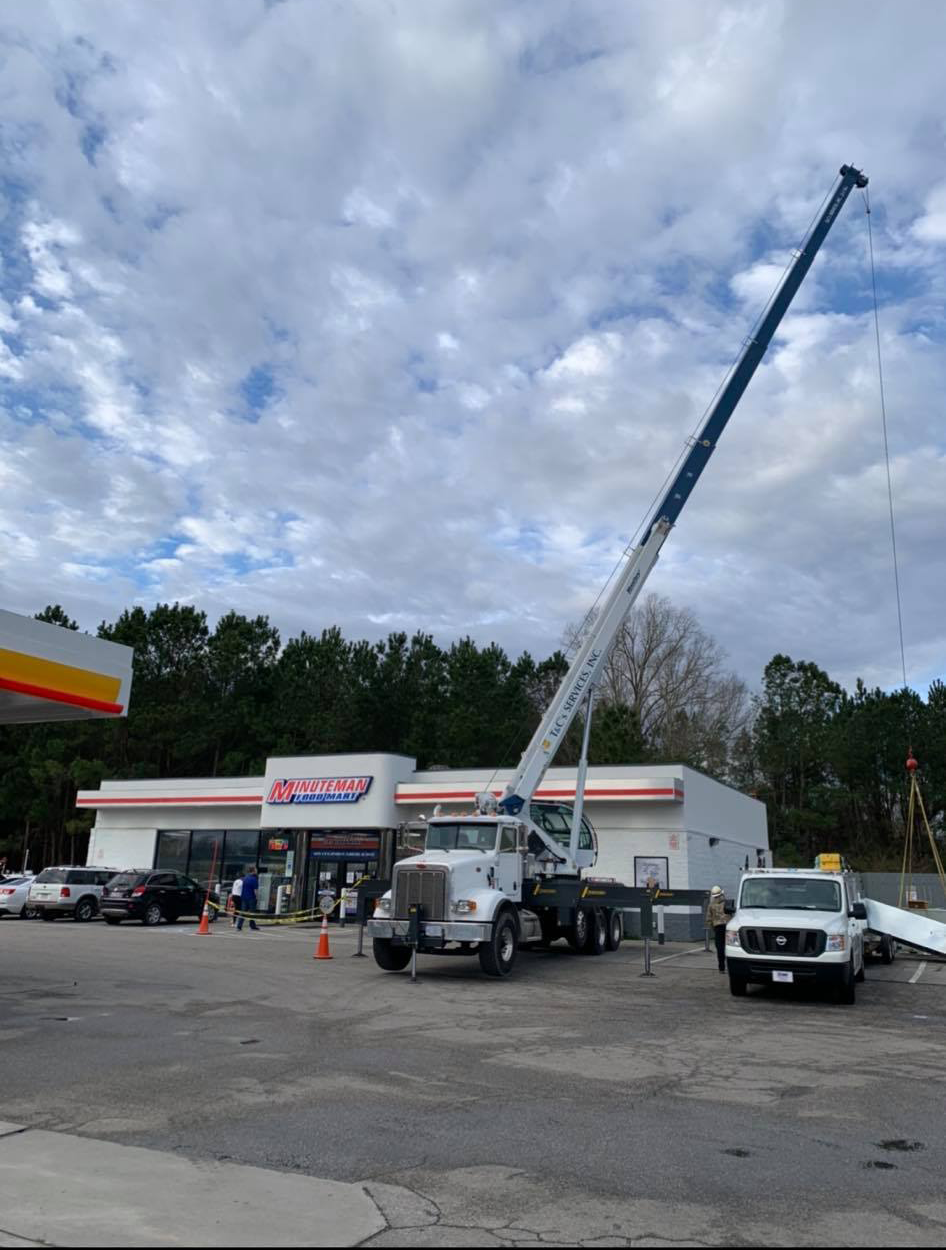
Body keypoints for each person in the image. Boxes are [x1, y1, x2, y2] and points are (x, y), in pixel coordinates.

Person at [705, 885, 728, 973]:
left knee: (719, 948)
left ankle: (721, 968)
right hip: (727, 927)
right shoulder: (726, 903)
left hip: (717, 927)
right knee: (730, 947)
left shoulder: (711, 905)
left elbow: (708, 919)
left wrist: (713, 927)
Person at [235, 865, 259, 932]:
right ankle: (252, 926)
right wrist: (257, 897)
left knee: (243, 912)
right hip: (251, 898)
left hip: (244, 897)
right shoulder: (254, 879)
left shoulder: (245, 878)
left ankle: (239, 926)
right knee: (252, 913)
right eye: (256, 869)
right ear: (253, 871)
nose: (256, 871)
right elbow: (255, 890)